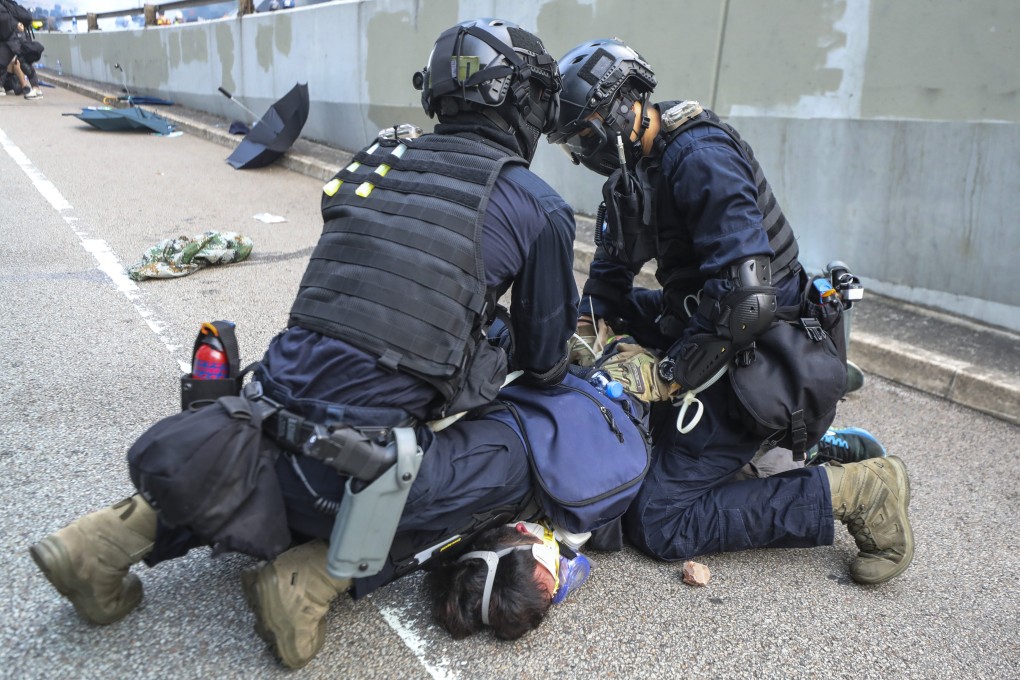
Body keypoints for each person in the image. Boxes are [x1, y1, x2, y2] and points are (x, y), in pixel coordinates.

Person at [28, 17, 589, 670]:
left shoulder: (380, 160)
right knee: (514, 457)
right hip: (348, 480)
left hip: (255, 425)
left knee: (299, 412)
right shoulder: (538, 206)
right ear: (523, 100)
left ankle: (105, 539)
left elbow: (374, 296)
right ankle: (312, 581)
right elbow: (547, 361)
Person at [548, 38, 913, 586]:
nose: (581, 150)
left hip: (762, 345)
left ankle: (861, 489)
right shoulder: (635, 168)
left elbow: (748, 297)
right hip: (708, 322)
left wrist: (667, 377)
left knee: (656, 517)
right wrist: (581, 335)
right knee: (629, 337)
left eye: (584, 132)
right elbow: (609, 278)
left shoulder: (699, 157)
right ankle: (789, 450)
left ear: (621, 108)